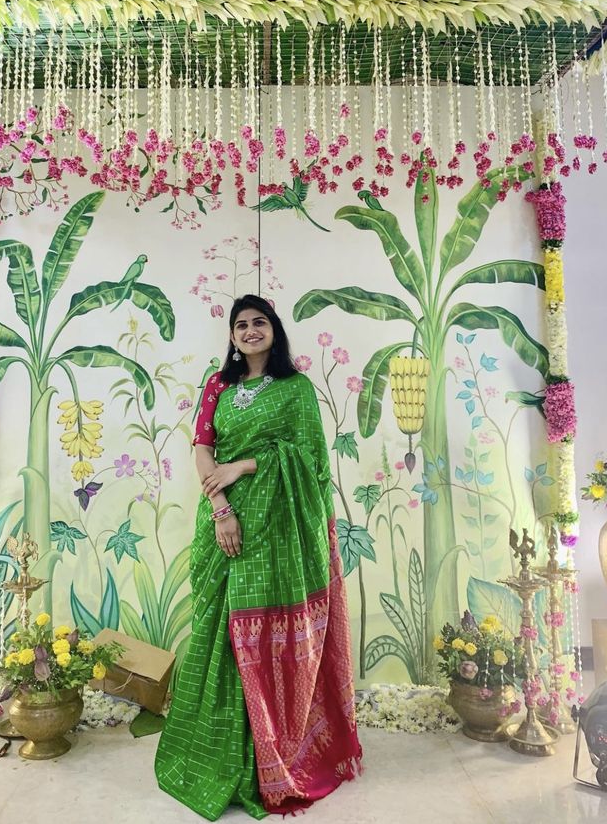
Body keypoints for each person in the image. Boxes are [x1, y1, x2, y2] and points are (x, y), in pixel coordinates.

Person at [155, 294, 362, 819]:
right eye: (240, 325)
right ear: (231, 336)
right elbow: (202, 446)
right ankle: (226, 749)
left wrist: (243, 466)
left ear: (274, 330)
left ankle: (277, 750)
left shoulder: (296, 390)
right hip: (225, 522)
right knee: (222, 628)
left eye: (259, 323)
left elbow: (310, 459)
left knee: (266, 633)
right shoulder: (218, 385)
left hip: (280, 527)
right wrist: (220, 504)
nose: (250, 331)